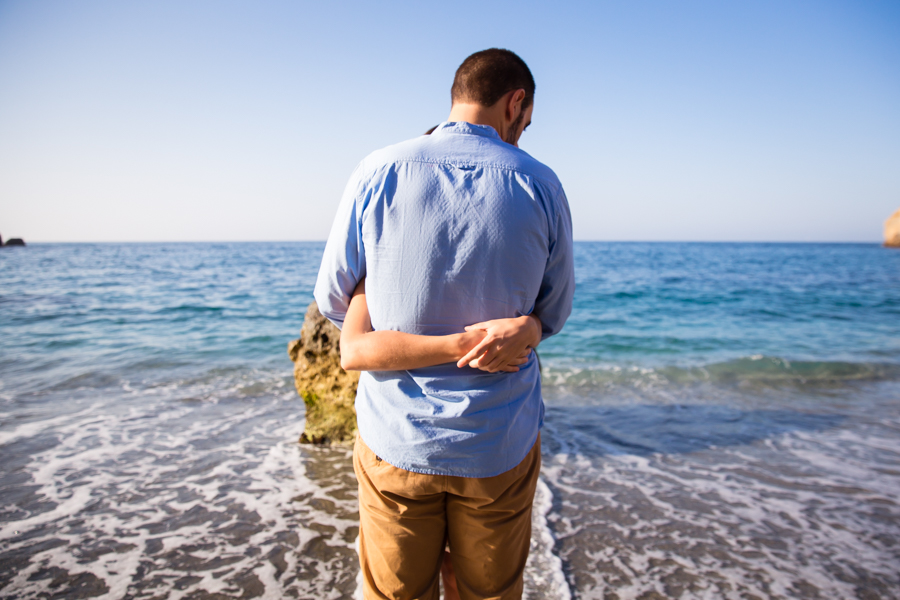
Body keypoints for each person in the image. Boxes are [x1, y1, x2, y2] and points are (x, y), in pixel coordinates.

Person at [314, 48, 574, 600]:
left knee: (393, 595)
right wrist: (521, 328)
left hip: (398, 438)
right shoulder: (542, 184)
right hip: (496, 443)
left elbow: (333, 298)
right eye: (524, 123)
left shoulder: (378, 169)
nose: (521, 134)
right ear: (516, 103)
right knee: (490, 594)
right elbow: (554, 312)